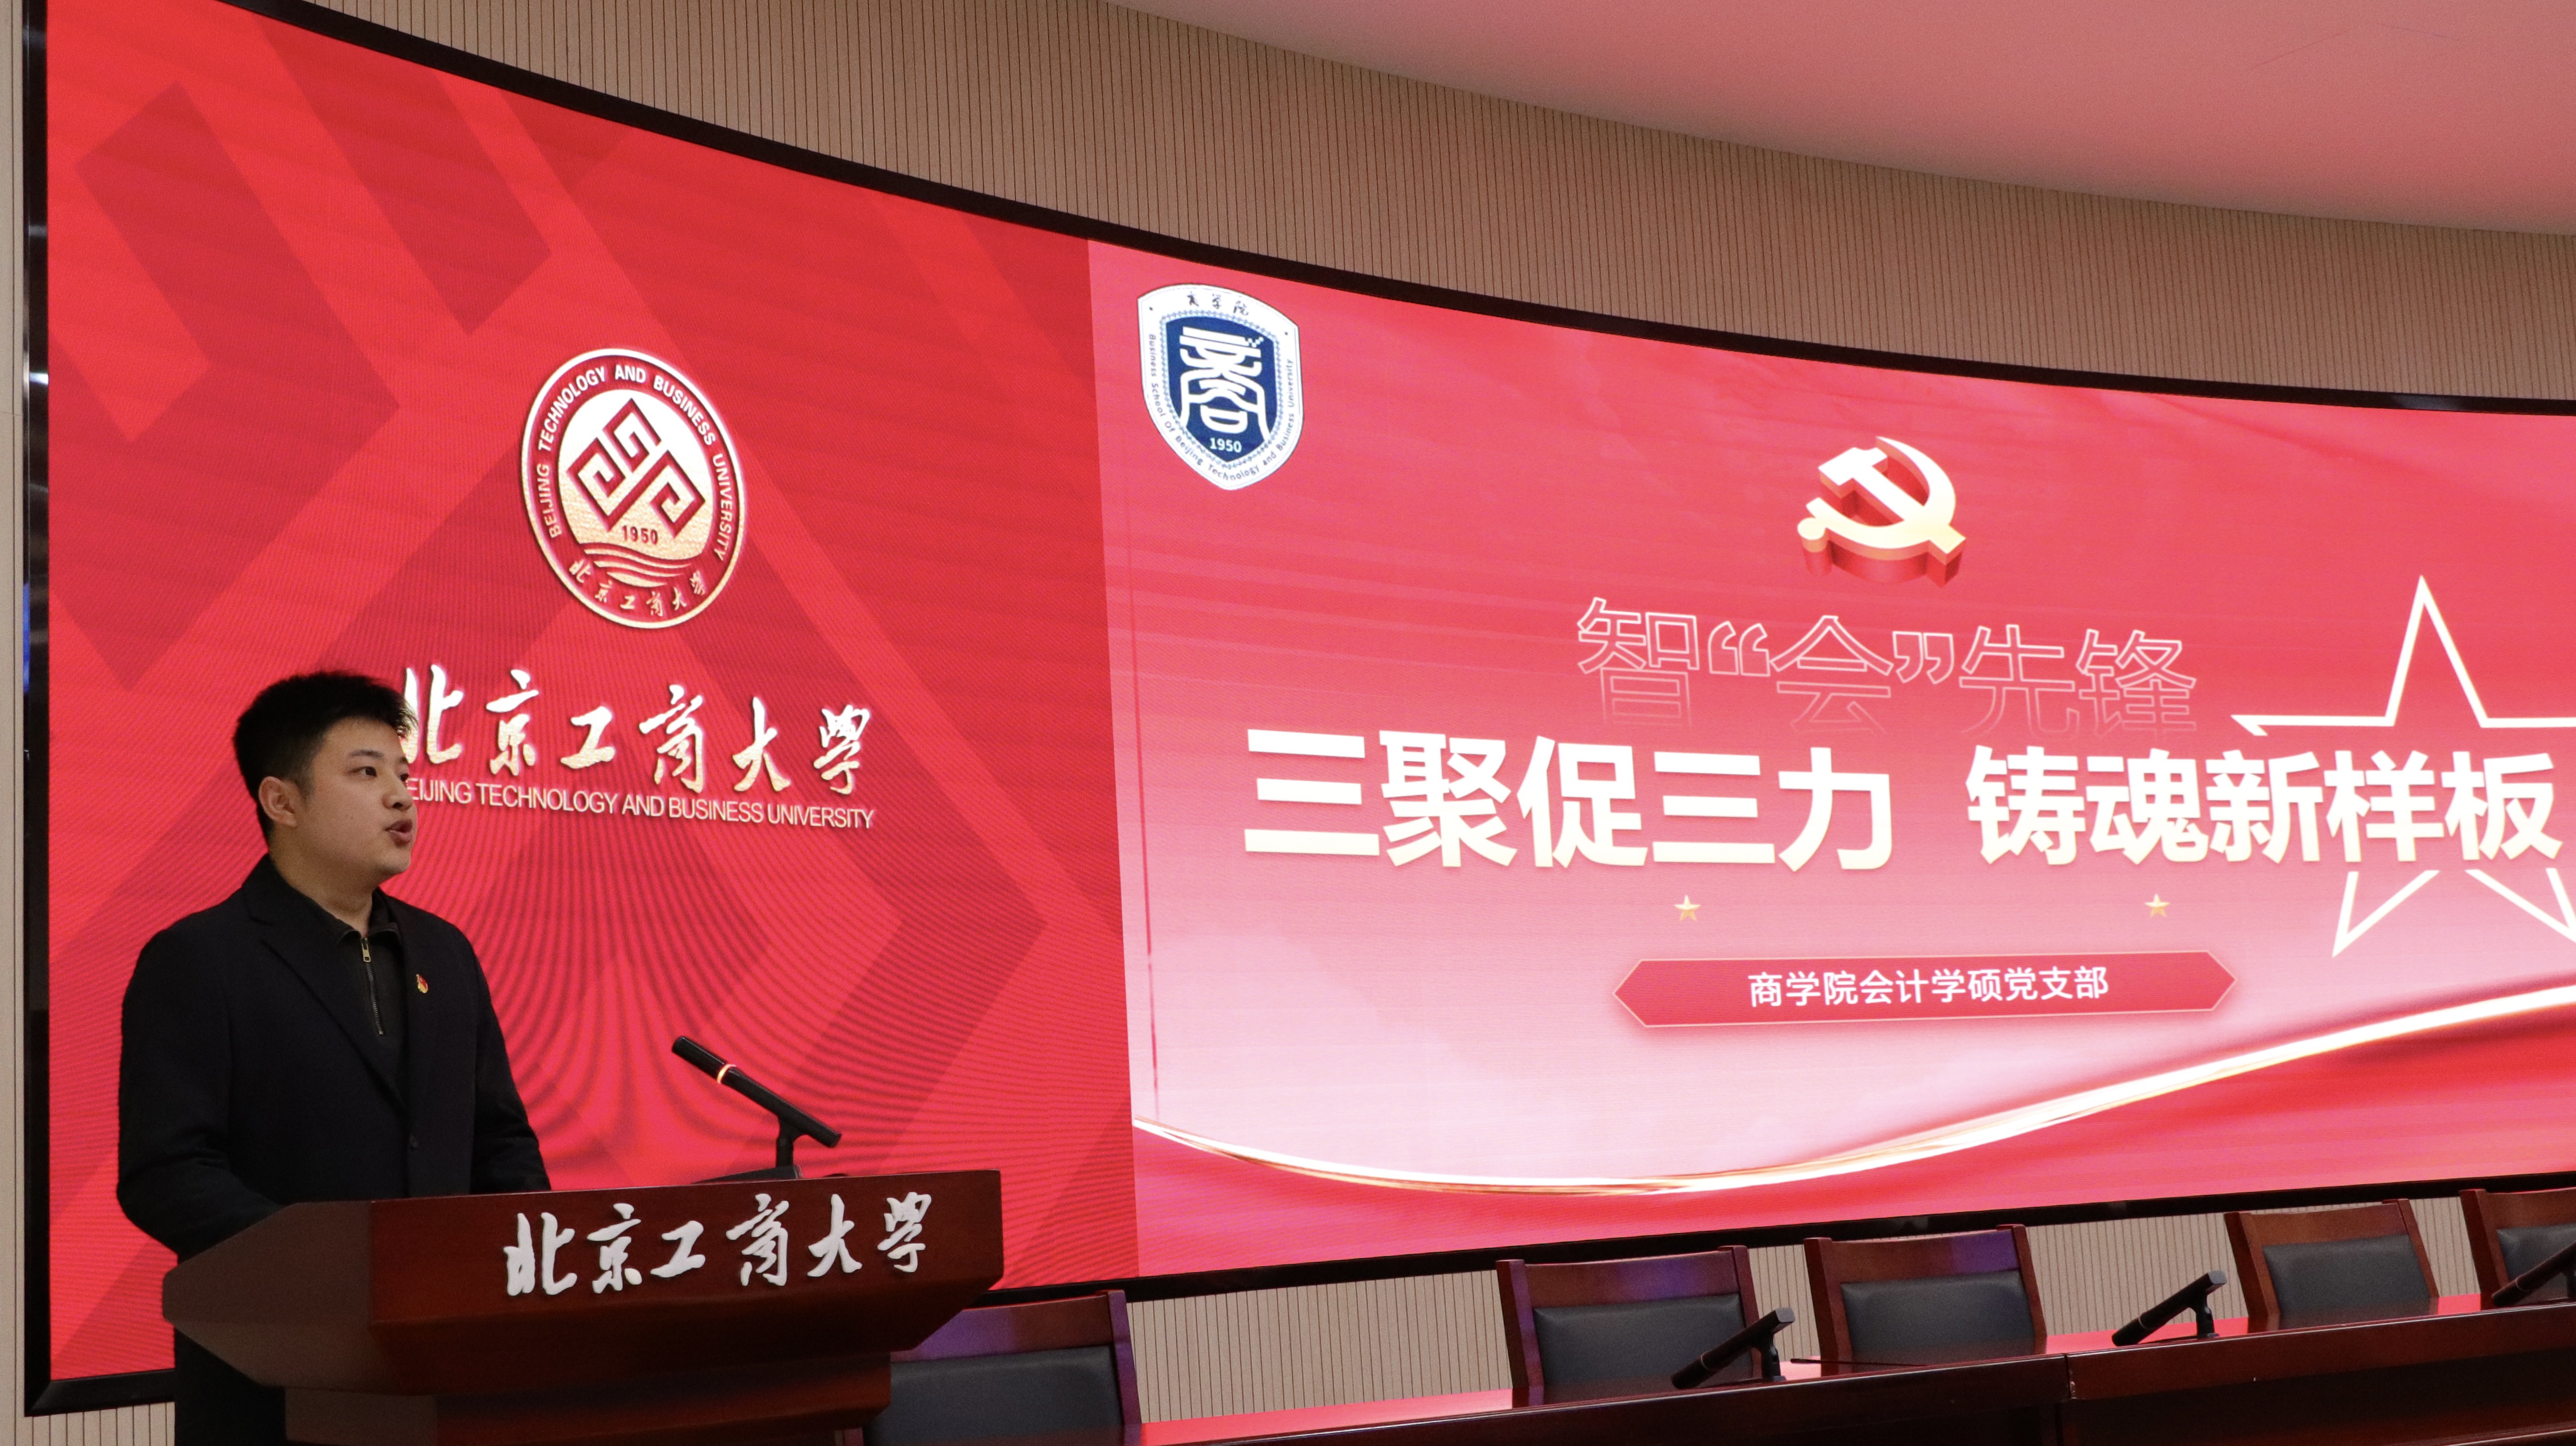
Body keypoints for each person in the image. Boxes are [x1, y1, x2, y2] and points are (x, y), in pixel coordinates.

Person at [119, 672, 549, 1446]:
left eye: (403, 773)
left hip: (448, 1375)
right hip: (276, 1383)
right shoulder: (201, 959)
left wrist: (523, 1267)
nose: (401, 797)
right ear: (281, 801)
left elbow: (501, 1141)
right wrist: (336, 1268)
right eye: (366, 772)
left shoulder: (446, 953)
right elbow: (168, 1172)